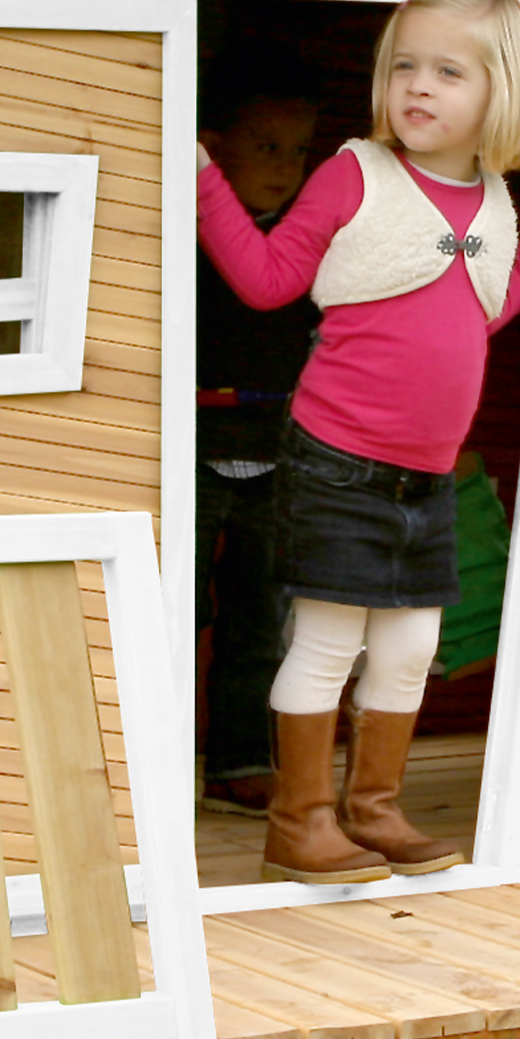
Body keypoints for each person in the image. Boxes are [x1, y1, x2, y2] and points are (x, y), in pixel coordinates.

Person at [195, 0, 520, 883]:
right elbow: (268, 279)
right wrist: (201, 178)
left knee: (410, 651)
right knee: (325, 644)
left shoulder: (494, 201)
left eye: (448, 71)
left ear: (505, 91)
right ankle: (300, 823)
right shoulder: (357, 173)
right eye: (405, 67)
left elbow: (473, 312)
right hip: (336, 461)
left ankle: (375, 811)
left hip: (426, 478)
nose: (418, 86)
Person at [193, 86, 321, 817]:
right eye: (266, 146)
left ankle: (239, 762)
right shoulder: (180, 237)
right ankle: (154, 764)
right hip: (190, 444)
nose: (284, 166)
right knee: (176, 609)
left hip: (276, 453)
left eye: (297, 151)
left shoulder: (307, 247)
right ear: (212, 149)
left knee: (259, 617)